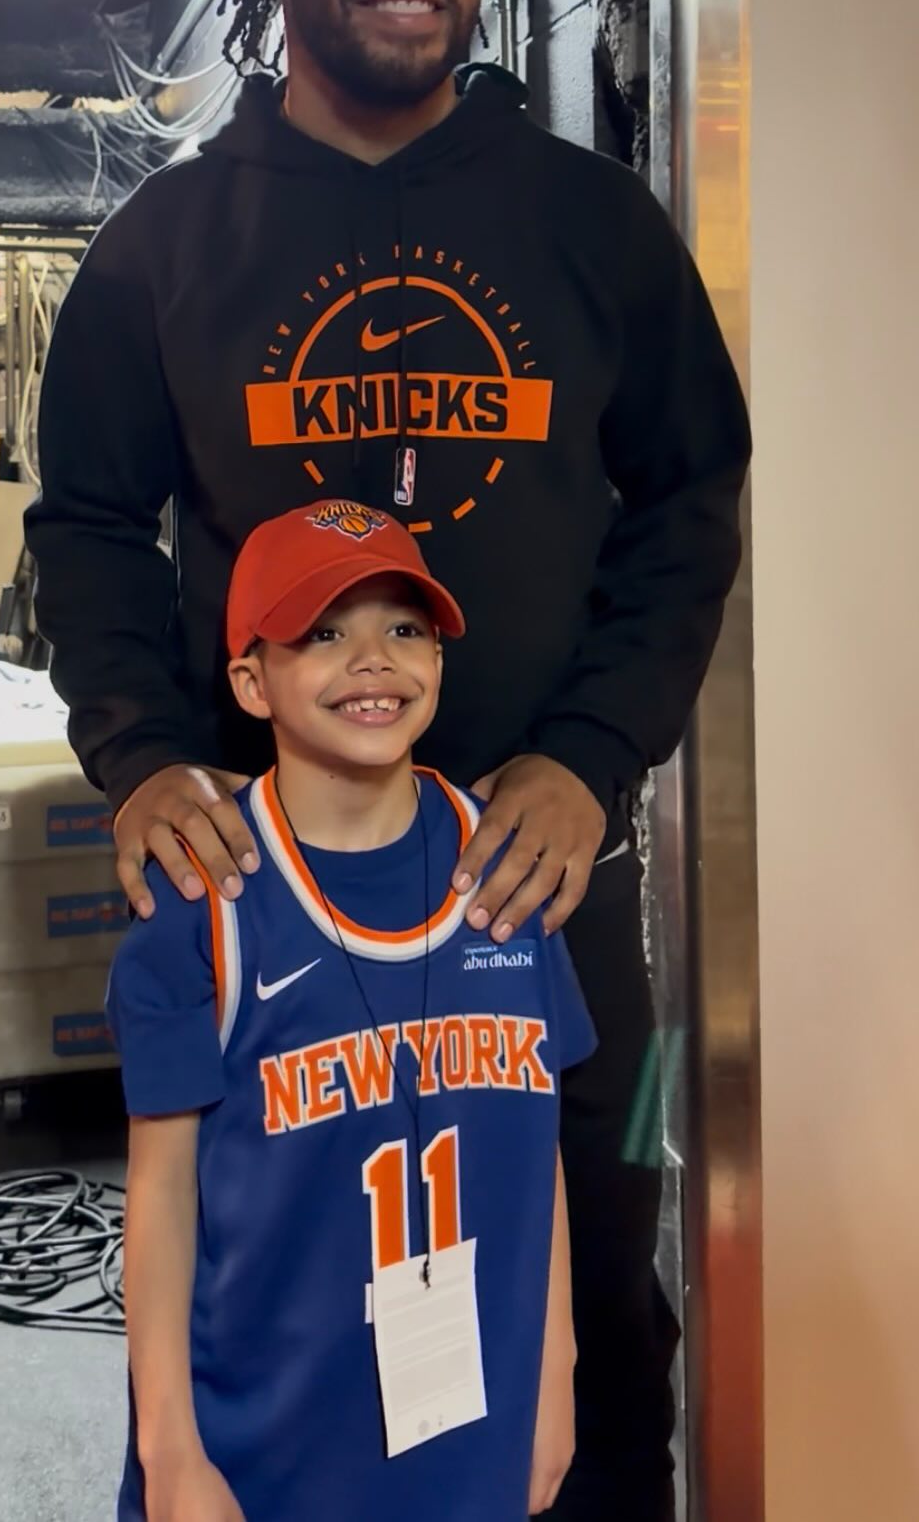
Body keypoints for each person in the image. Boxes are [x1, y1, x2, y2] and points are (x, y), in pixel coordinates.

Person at [26, 0, 751, 1521]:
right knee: (270, 1342)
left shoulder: (593, 228)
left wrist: (587, 761)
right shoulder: (166, 245)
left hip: (531, 902)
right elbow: (87, 529)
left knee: (585, 1333)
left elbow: (690, 499)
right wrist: (139, 757)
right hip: (272, 920)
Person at [107, 499, 598, 1522]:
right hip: (262, 1450)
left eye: (403, 628)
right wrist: (169, 1452)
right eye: (323, 633)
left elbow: (534, 1144)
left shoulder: (504, 867)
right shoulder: (202, 903)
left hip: (471, 1427)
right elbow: (159, 1197)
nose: (371, 660)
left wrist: (552, 1366)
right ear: (252, 679)